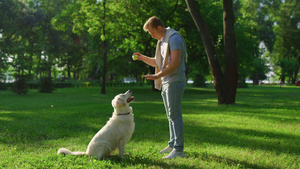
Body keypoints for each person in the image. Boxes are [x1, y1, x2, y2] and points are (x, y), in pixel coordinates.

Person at [132, 16, 187, 159]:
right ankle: (172, 144)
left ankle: (179, 150)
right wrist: (142, 57)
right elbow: (158, 62)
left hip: (175, 81)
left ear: (159, 28)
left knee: (175, 115)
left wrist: (158, 76)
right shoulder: (162, 41)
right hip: (167, 81)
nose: (151, 36)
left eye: (151, 32)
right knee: (171, 115)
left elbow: (174, 63)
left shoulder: (173, 38)